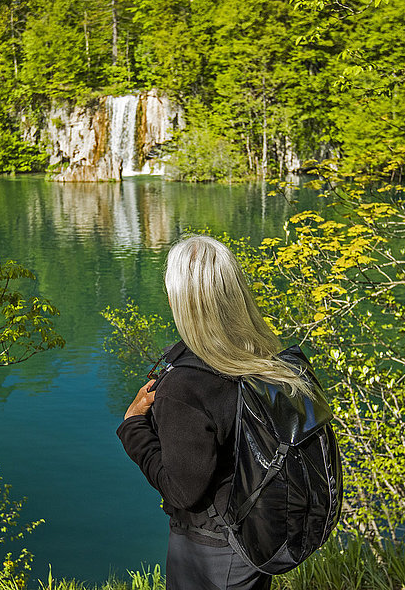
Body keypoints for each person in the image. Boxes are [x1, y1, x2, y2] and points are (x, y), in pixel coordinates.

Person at [116, 235, 312, 590]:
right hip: (253, 539)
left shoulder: (186, 385)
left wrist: (133, 428)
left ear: (182, 301)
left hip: (210, 554)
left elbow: (182, 491)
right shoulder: (263, 361)